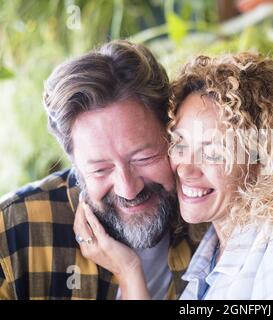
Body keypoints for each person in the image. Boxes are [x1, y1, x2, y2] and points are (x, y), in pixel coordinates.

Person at [75, 52, 273, 299]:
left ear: (262, 158)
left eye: (214, 152)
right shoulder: (214, 251)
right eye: (180, 144)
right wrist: (129, 273)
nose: (186, 168)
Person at [0, 40, 199, 300]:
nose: (128, 188)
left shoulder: (210, 218)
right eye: (100, 169)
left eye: (144, 158)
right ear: (75, 165)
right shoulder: (12, 231)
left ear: (172, 134)